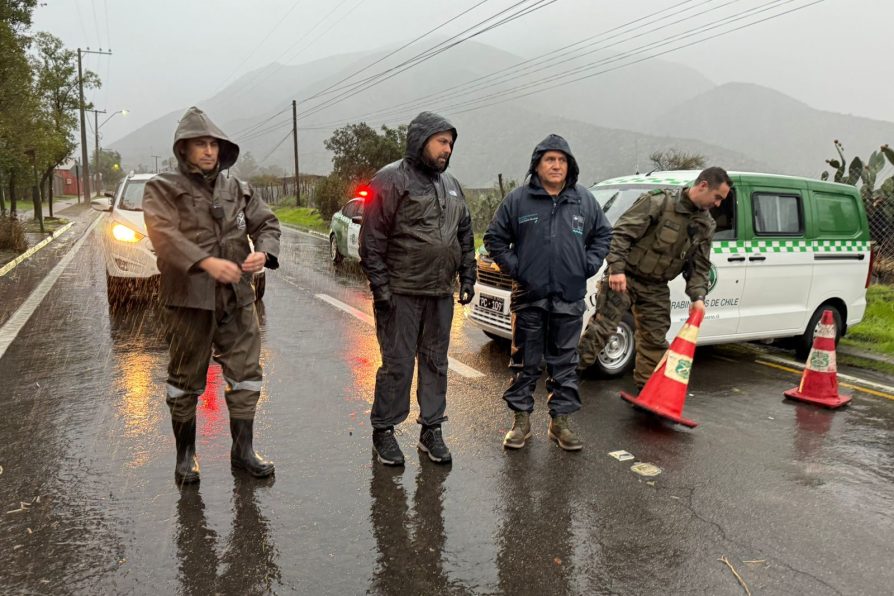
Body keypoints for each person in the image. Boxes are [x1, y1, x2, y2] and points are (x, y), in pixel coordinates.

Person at [144, 106, 281, 484]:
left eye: (213, 144)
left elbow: (267, 222)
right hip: (189, 301)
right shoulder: (162, 188)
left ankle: (243, 450)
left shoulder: (238, 189)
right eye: (200, 144)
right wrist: (205, 261)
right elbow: (163, 235)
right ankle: (185, 455)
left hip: (237, 299)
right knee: (185, 380)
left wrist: (264, 252)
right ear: (183, 149)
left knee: (247, 375)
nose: (208, 151)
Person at [359, 111, 475, 467]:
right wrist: (381, 290)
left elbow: (465, 233)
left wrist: (467, 276)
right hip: (401, 293)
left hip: (439, 293)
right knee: (397, 365)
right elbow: (372, 239)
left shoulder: (452, 185)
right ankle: (384, 431)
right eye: (442, 141)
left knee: (436, 363)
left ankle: (431, 430)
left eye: (451, 144)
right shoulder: (392, 179)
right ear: (421, 140)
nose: (447, 149)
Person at [484, 134, 612, 451]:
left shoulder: (584, 201)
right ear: (537, 165)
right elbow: (494, 238)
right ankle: (521, 423)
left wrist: (589, 264)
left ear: (570, 166)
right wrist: (520, 269)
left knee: (565, 364)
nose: (556, 165)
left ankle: (560, 423)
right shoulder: (518, 200)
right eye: (549, 160)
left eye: (562, 160)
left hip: (568, 298)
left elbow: (604, 234)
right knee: (525, 364)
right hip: (529, 298)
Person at [577, 167, 732, 390]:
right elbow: (621, 234)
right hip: (626, 277)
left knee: (655, 341)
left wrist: (698, 297)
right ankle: (567, 380)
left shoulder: (705, 225)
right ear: (703, 185)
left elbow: (699, 266)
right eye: (717, 197)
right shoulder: (659, 203)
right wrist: (617, 269)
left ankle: (647, 394)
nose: (718, 204)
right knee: (602, 330)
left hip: (656, 286)